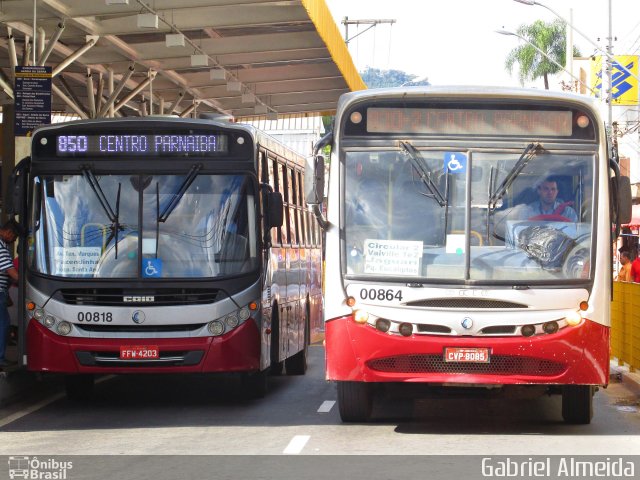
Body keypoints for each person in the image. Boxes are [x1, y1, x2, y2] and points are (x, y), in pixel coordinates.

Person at [0, 220, 19, 367]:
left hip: (2, 292)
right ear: (8, 232)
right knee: (4, 324)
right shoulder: (1, 247)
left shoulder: (3, 245)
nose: (13, 240)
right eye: (14, 237)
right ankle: (0, 358)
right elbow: (12, 272)